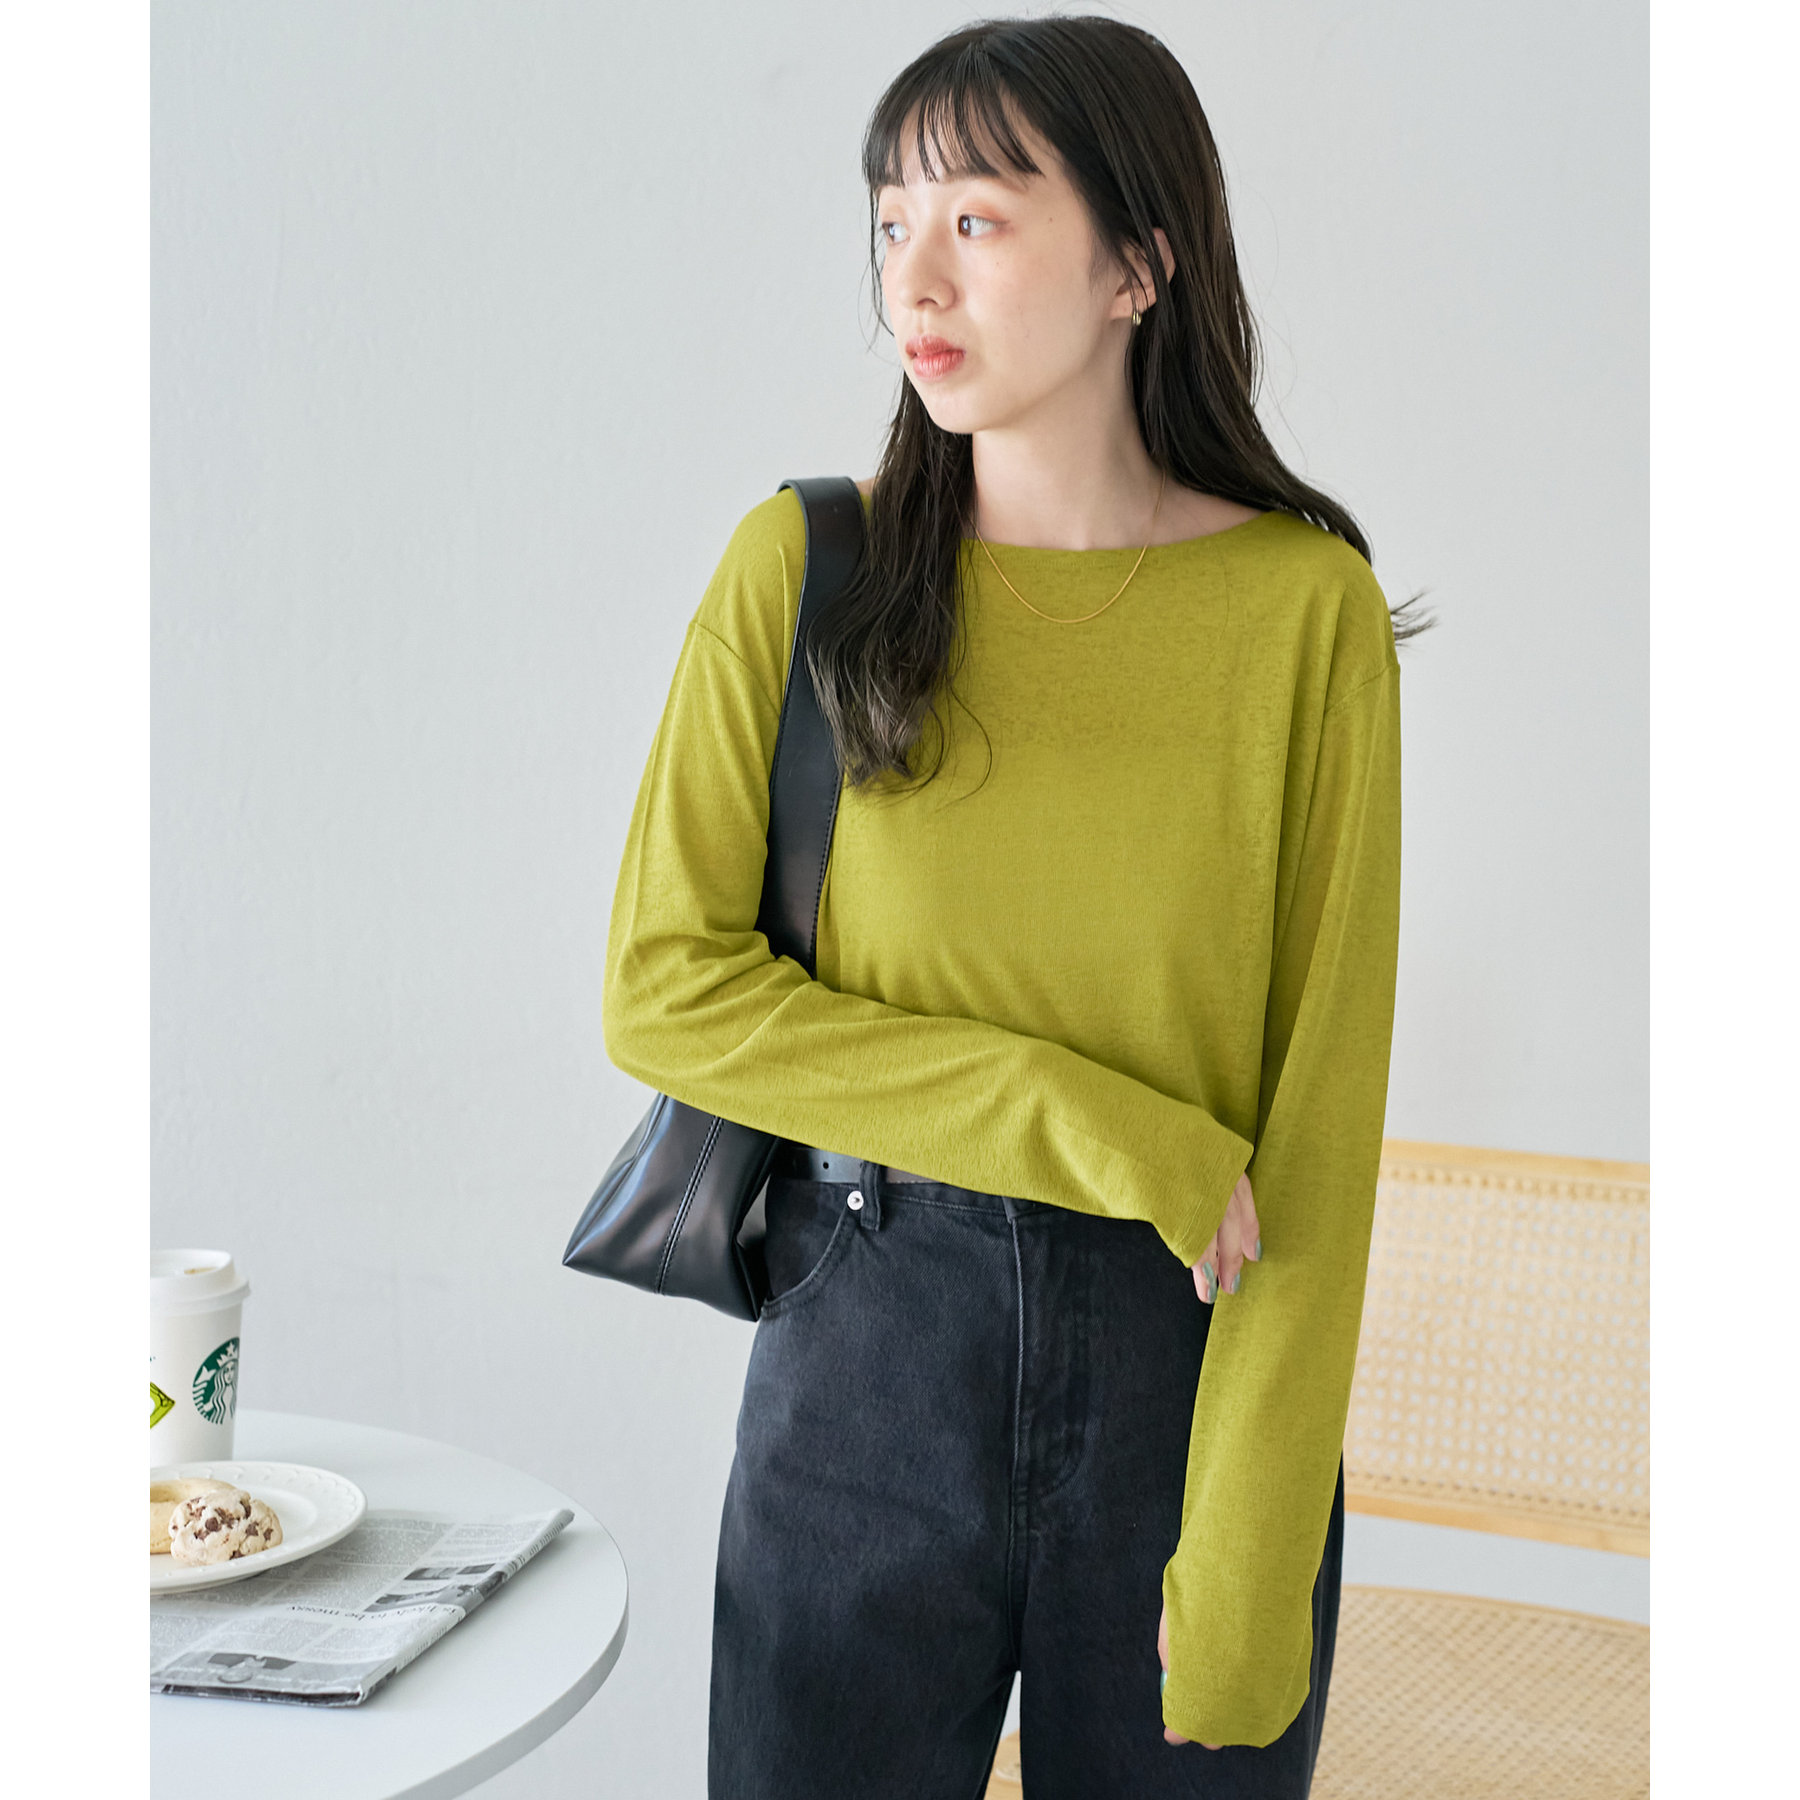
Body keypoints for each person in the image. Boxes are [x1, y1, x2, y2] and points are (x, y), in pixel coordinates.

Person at [602, 15, 1419, 1798]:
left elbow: (1321, 1122)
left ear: (1140, 263)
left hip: (1186, 1372)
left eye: (975, 218)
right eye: (892, 221)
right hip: (866, 1352)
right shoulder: (804, 570)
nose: (916, 275)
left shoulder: (1305, 617)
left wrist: (1253, 1540)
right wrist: (1084, 1118)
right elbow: (666, 992)